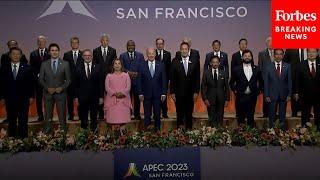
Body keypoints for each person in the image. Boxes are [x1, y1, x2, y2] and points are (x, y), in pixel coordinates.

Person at [0, 47, 34, 138]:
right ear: (10, 55)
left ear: (21, 55)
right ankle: (13, 142)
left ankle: (24, 141)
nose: (16, 55)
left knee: (23, 121)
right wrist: (2, 97)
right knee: (12, 121)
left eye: (18, 54)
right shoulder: (3, 68)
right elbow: (1, 84)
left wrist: (31, 96)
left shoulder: (27, 68)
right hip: (9, 99)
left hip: (23, 99)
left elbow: (31, 83)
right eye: (13, 54)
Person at [39, 43, 71, 132]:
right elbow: (41, 79)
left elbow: (68, 80)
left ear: (59, 51)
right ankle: (47, 136)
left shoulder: (65, 64)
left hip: (61, 94)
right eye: (52, 50)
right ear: (49, 52)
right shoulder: (44, 64)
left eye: (56, 50)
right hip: (48, 94)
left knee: (62, 116)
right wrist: (47, 88)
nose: (54, 52)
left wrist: (62, 88)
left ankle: (63, 135)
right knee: (48, 116)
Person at [170, 42, 200, 130]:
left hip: (191, 94)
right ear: (180, 50)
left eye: (185, 49)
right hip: (178, 94)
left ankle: (189, 132)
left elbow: (197, 78)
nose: (184, 51)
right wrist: (172, 92)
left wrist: (196, 91)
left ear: (188, 50)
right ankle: (180, 135)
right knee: (179, 114)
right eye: (182, 49)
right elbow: (172, 78)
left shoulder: (194, 61)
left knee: (189, 114)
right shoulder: (174, 61)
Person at [229, 49, 262, 128]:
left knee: (251, 117)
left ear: (251, 57)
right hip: (240, 97)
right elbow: (231, 83)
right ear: (242, 57)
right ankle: (241, 136)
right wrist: (235, 90)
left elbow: (261, 81)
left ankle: (250, 136)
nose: (247, 57)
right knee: (241, 118)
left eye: (249, 56)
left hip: (252, 96)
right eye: (245, 56)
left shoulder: (257, 68)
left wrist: (258, 91)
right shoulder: (236, 69)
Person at [137, 47, 167, 130]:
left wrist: (164, 93)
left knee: (157, 114)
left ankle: (157, 132)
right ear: (147, 54)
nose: (151, 55)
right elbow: (139, 81)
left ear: (155, 54)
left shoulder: (161, 65)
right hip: (146, 95)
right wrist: (140, 93)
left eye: (152, 53)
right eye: (149, 53)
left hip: (158, 95)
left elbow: (164, 80)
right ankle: (147, 133)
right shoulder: (141, 65)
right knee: (147, 115)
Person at [74, 49, 103, 131]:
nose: (87, 57)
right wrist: (76, 97)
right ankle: (84, 135)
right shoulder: (78, 67)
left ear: (92, 56)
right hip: (82, 97)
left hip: (94, 97)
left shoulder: (97, 66)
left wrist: (101, 96)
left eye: (89, 55)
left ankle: (94, 136)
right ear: (83, 57)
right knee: (83, 117)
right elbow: (76, 84)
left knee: (94, 117)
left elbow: (100, 83)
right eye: (85, 55)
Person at [264, 49, 292, 129]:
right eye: (276, 54)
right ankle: (271, 133)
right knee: (271, 116)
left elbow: (289, 81)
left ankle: (282, 133)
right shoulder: (268, 66)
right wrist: (266, 95)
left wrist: (289, 94)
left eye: (280, 54)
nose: (278, 56)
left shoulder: (287, 66)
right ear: (274, 55)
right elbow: (266, 82)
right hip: (272, 95)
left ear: (283, 55)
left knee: (282, 116)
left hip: (284, 95)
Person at [93, 34, 117, 120]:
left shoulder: (113, 50)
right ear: (101, 41)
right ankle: (101, 114)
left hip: (110, 77)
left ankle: (110, 112)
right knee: (100, 96)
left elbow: (114, 64)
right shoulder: (95, 51)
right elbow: (94, 64)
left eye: (106, 40)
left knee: (110, 95)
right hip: (99, 78)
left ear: (108, 41)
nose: (105, 42)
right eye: (103, 40)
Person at [294, 48, 320, 129]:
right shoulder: (301, 64)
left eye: (313, 52)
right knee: (305, 117)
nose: (311, 54)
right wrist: (296, 92)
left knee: (319, 116)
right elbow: (297, 79)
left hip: (319, 95)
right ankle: (305, 136)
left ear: (317, 53)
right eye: (309, 52)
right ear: (307, 53)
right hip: (304, 95)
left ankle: (318, 134)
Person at [201, 55, 230, 127]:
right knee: (212, 119)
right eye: (213, 62)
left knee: (220, 118)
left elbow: (226, 87)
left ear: (219, 63)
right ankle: (213, 134)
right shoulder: (206, 73)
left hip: (221, 99)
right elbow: (203, 87)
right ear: (210, 63)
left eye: (216, 62)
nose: (215, 64)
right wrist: (205, 99)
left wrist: (227, 99)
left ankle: (219, 133)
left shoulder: (223, 73)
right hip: (210, 99)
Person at [119, 40, 144, 120]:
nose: (131, 47)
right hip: (126, 81)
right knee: (127, 99)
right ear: (127, 46)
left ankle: (137, 114)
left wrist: (137, 73)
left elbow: (143, 66)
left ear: (135, 46)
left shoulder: (140, 55)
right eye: (129, 45)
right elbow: (121, 67)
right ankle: (128, 114)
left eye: (132, 45)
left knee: (137, 99)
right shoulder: (122, 56)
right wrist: (128, 73)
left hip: (137, 81)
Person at [104, 59, 131, 129]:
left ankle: (123, 138)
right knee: (113, 123)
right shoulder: (109, 76)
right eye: (115, 63)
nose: (117, 65)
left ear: (121, 65)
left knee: (123, 123)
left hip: (123, 101)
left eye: (119, 63)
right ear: (113, 66)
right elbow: (107, 88)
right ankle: (114, 139)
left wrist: (122, 93)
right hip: (112, 101)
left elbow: (128, 87)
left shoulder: (126, 75)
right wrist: (115, 94)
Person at [30, 35, 51, 122]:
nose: (40, 43)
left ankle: (48, 115)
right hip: (38, 80)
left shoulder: (50, 52)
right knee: (38, 99)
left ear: (45, 42)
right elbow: (32, 68)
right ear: (37, 42)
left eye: (42, 41)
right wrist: (38, 75)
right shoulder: (33, 54)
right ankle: (40, 116)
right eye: (39, 41)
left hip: (48, 80)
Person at [63, 37, 83, 121]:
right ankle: (71, 115)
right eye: (72, 42)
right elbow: (64, 67)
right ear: (70, 44)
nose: (74, 44)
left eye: (76, 42)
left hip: (80, 81)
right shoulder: (66, 54)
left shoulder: (83, 54)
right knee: (70, 99)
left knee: (80, 98)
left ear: (78, 44)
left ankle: (81, 114)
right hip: (70, 80)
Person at [283, 48, 306, 117]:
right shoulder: (290, 49)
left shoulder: (310, 49)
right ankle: (294, 113)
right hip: (294, 76)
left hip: (307, 75)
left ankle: (306, 112)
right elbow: (285, 62)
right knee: (294, 94)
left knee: (306, 95)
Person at [231, 38, 249, 118]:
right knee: (238, 99)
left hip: (248, 81)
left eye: (244, 44)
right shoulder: (235, 55)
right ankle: (238, 114)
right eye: (241, 43)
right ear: (239, 45)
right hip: (238, 82)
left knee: (247, 99)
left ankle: (246, 113)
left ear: (246, 45)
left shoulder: (249, 55)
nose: (243, 45)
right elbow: (232, 68)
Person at [155, 37, 171, 118]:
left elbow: (169, 68)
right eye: (158, 44)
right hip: (155, 80)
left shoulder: (168, 54)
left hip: (165, 79)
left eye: (161, 44)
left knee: (164, 96)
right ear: (156, 44)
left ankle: (165, 113)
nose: (159, 45)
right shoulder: (153, 53)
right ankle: (156, 114)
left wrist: (168, 79)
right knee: (156, 97)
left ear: (163, 44)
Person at [258, 37, 273, 118]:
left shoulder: (278, 52)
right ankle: (266, 113)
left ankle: (273, 112)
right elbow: (260, 68)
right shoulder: (262, 53)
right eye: (270, 42)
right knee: (266, 97)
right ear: (266, 44)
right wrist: (261, 81)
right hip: (265, 80)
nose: (271, 44)